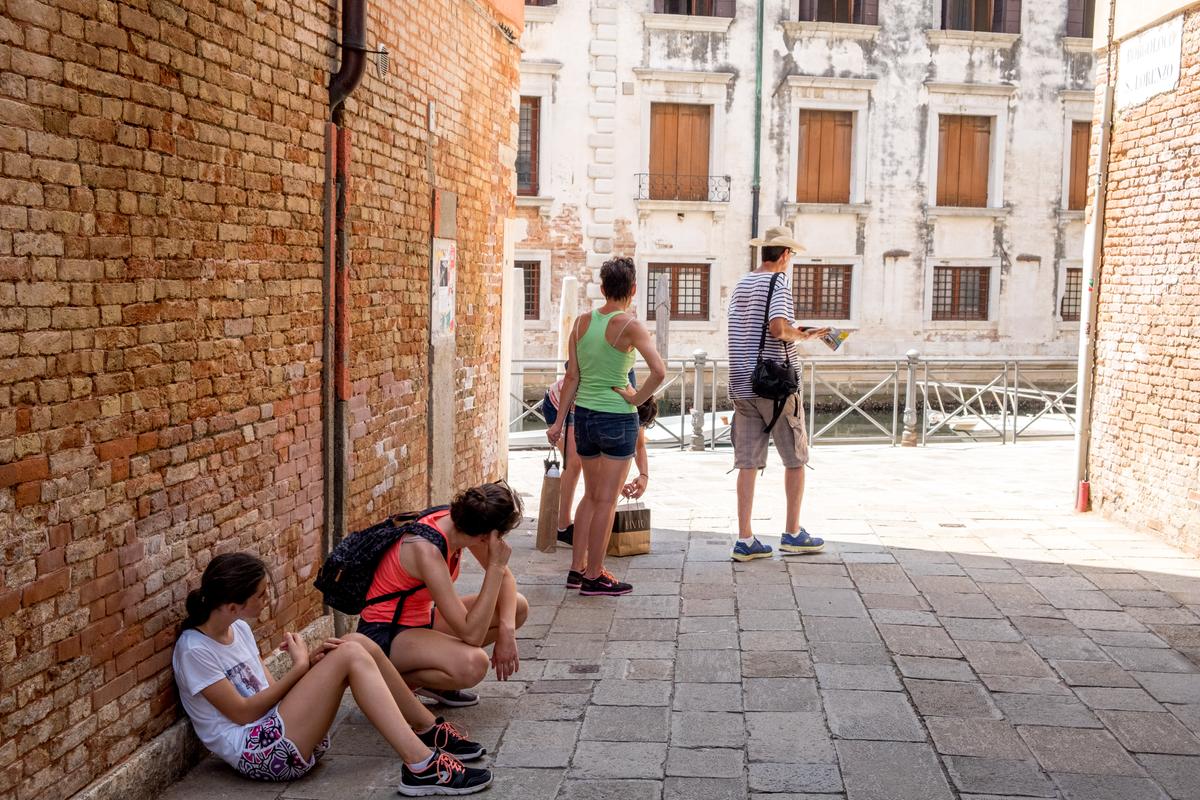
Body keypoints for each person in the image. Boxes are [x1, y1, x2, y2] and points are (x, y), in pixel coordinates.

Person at [173, 553, 492, 795]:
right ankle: (422, 764)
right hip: (258, 753)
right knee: (351, 654)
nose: (266, 599)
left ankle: (425, 727)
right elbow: (243, 714)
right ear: (232, 606)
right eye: (260, 594)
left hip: (281, 731)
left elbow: (268, 691)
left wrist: (312, 666)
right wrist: (300, 668)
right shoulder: (194, 651)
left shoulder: (238, 628)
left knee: (355, 642)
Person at [546, 256, 666, 596]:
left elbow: (571, 376)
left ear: (602, 288)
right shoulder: (630, 325)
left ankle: (576, 569)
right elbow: (658, 370)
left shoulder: (582, 323)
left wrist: (557, 423)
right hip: (615, 418)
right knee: (606, 501)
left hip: (582, 417)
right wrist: (635, 398)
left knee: (590, 496)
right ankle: (595, 575)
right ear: (632, 290)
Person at [356, 482, 528, 706]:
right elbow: (472, 635)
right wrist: (495, 566)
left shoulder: (462, 522)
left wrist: (507, 632)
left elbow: (507, 580)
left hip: (421, 620)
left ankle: (434, 681)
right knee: (473, 664)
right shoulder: (426, 550)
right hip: (385, 633)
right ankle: (386, 682)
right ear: (487, 537)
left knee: (517, 606)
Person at [726, 226, 830, 562]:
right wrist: (806, 336)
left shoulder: (741, 284)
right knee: (796, 459)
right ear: (784, 255)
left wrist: (793, 330)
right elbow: (776, 328)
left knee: (747, 463)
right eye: (791, 256)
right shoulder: (779, 282)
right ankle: (793, 532)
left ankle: (745, 538)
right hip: (776, 385)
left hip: (742, 382)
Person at [542, 365, 643, 547]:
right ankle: (562, 526)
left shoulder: (628, 379)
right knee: (573, 463)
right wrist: (557, 425)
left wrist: (642, 474)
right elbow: (570, 370)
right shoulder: (593, 352)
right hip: (562, 404)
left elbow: (635, 445)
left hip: (594, 409)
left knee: (599, 471)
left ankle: (593, 527)